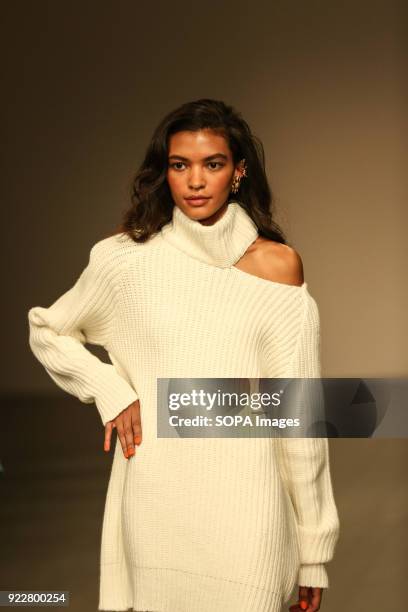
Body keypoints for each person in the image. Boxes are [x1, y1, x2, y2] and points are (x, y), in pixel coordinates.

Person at [27, 98, 340, 612]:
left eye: (212, 164)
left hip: (249, 516)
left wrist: (312, 553)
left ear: (237, 173)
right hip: (156, 509)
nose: (195, 181)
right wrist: (112, 391)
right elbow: (47, 329)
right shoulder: (125, 262)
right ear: (164, 173)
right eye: (180, 165)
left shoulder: (278, 268)